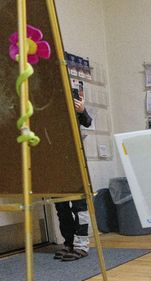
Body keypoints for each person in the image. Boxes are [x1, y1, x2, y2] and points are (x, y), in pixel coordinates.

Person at [54, 94, 93, 261]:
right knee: (61, 207)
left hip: (74, 161)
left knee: (79, 206)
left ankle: (82, 244)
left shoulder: (71, 100)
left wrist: (82, 110)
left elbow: (88, 122)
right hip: (54, 163)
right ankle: (68, 242)